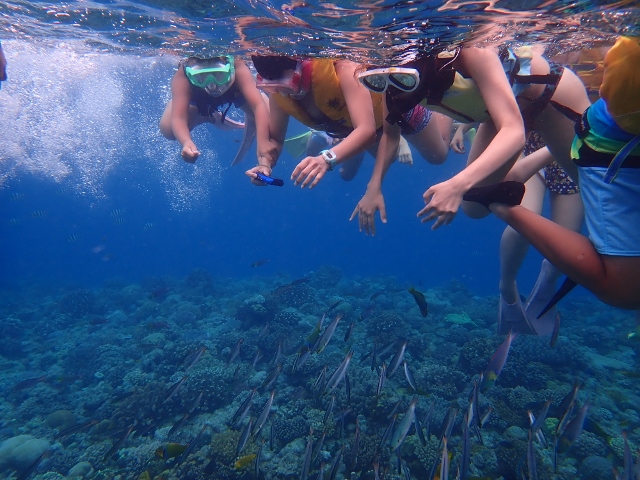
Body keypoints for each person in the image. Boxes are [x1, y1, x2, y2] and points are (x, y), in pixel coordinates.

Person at [462, 36, 640, 311]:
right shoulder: (552, 56)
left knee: (566, 239)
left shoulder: (593, 59)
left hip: (584, 141)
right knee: (521, 224)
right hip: (578, 141)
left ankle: (545, 285)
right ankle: (507, 283)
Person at [356, 44, 591, 230]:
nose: (392, 89)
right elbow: (391, 135)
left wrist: (456, 184)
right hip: (502, 114)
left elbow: (513, 132)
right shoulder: (391, 79)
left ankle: (560, 146)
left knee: (592, 186)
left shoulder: (471, 53)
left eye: (403, 80)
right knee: (474, 205)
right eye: (377, 80)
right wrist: (373, 186)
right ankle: (546, 154)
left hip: (550, 98)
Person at [246, 56, 450, 196]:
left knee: (438, 156)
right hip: (358, 128)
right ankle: (349, 145)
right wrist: (265, 165)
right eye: (274, 87)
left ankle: (446, 104)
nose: (284, 92)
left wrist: (327, 159)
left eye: (288, 84)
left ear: (301, 66)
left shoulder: (343, 68)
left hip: (398, 109)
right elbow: (275, 139)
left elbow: (366, 130)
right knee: (392, 157)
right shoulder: (279, 95)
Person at [497, 132, 583, 335]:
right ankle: (507, 285)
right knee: (523, 223)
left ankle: (548, 282)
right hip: (534, 146)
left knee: (566, 250)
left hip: (575, 159)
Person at [159, 55, 276, 167]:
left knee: (272, 122)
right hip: (199, 100)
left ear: (229, 67)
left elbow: (258, 105)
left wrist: (263, 141)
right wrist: (186, 142)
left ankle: (254, 100)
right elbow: (179, 118)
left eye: (219, 75)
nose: (212, 85)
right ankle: (200, 112)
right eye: (201, 77)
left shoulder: (238, 65)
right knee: (168, 130)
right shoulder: (183, 74)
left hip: (236, 93)